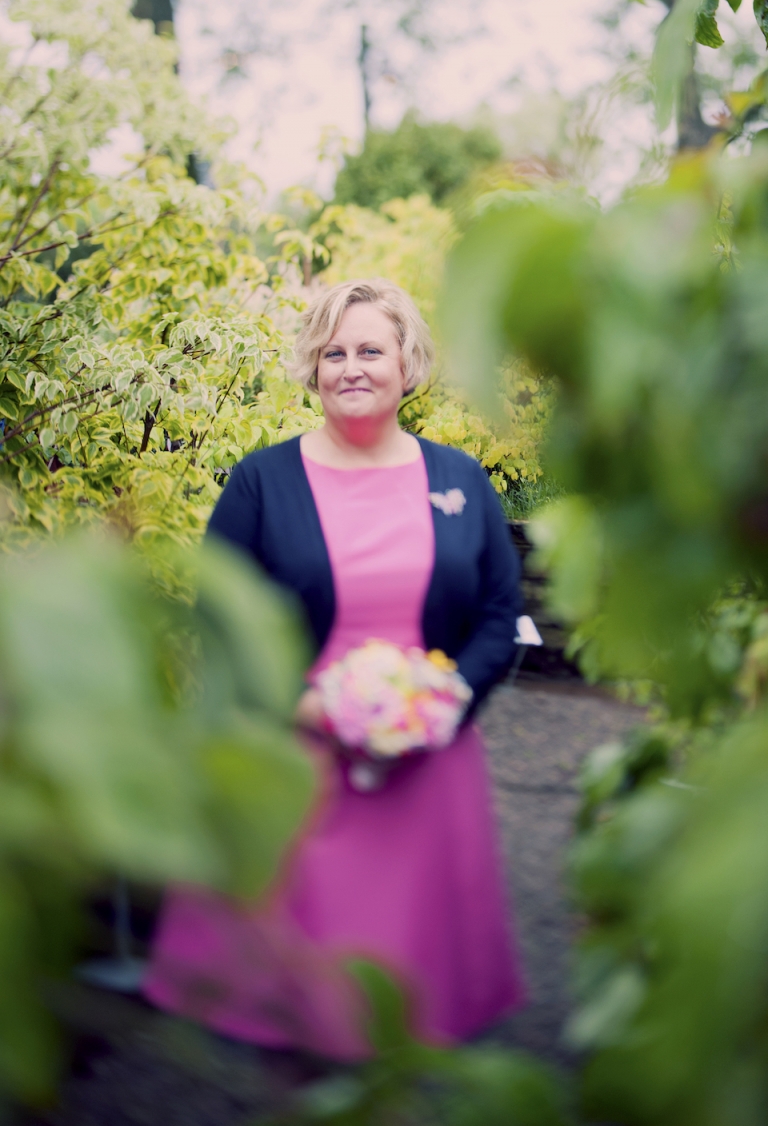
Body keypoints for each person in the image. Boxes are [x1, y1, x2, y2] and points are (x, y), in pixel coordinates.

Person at [143, 278, 527, 1058]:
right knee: (295, 1019)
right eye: (333, 352)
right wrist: (304, 707)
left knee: (409, 1017)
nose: (351, 366)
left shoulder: (460, 480)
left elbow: (498, 614)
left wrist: (446, 696)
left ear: (408, 363)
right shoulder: (261, 481)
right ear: (313, 369)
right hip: (298, 769)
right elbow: (221, 623)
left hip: (427, 773)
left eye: (371, 350)